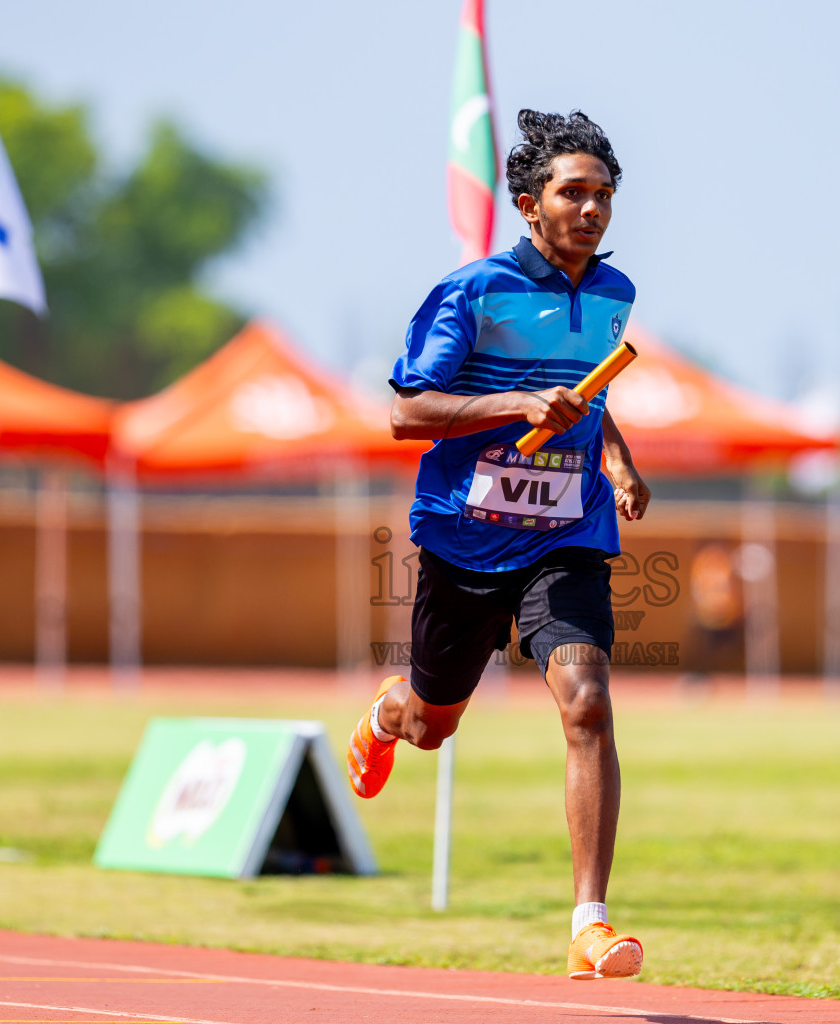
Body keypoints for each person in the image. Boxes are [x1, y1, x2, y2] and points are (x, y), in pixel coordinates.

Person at [346, 109, 652, 981]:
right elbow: (407, 412)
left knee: (586, 702)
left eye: (603, 196)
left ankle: (589, 925)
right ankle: (389, 711)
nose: (591, 210)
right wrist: (515, 407)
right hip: (463, 539)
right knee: (434, 726)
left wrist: (618, 460)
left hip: (567, 534)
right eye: (572, 193)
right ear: (528, 203)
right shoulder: (473, 292)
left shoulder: (614, 294)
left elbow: (589, 395)